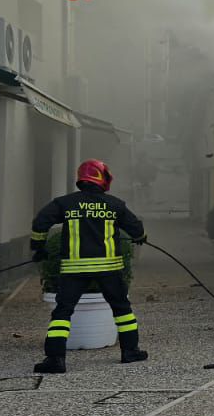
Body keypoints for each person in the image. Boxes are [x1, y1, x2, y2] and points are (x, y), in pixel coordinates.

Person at [30, 159, 148, 374]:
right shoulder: (115, 204)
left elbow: (40, 221)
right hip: (108, 269)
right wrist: (140, 237)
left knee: (63, 312)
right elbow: (136, 227)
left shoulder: (65, 203)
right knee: (122, 310)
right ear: (103, 178)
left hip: (74, 270)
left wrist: (38, 246)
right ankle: (130, 351)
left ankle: (55, 359)